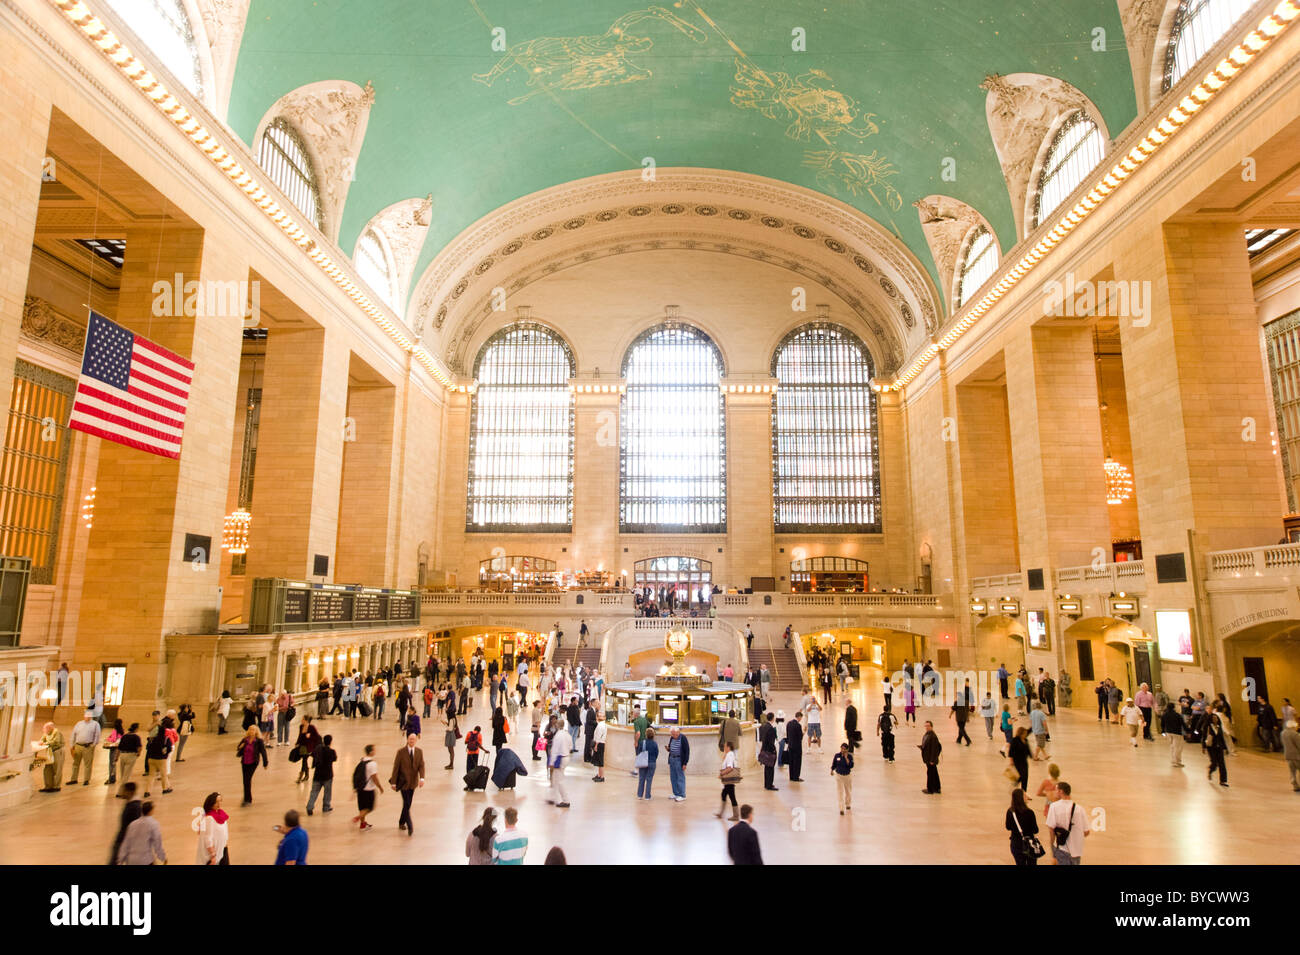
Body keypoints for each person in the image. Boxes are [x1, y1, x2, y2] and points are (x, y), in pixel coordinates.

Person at [1044, 781, 1088, 865]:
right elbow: (1086, 832)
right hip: (1077, 851)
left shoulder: (1054, 807)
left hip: (1062, 848)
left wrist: (1053, 848)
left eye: (1056, 790)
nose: (1054, 792)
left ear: (1061, 791)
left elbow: (1051, 830)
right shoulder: (1080, 809)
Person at [391, 733, 425, 836]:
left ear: (416, 741)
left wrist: (422, 778)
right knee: (406, 803)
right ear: (407, 740)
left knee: (408, 803)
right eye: (410, 739)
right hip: (403, 783)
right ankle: (410, 825)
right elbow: (396, 767)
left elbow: (421, 766)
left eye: (413, 739)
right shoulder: (401, 752)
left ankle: (401, 821)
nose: (411, 741)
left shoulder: (419, 751)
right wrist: (393, 782)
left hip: (413, 782)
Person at [116, 801, 165, 865]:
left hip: (131, 860)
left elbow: (126, 843)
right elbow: (157, 843)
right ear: (151, 811)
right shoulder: (153, 824)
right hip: (145, 860)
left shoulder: (132, 824)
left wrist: (120, 860)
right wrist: (162, 857)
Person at [1006, 788, 1040, 866]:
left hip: (1016, 844)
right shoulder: (1030, 812)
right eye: (1025, 795)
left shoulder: (1010, 811)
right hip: (1029, 844)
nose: (1027, 796)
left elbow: (1008, 827)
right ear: (1020, 798)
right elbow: (1035, 830)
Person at [352, 744, 382, 831]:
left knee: (362, 807)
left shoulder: (362, 761)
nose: (375, 751)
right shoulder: (373, 764)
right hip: (369, 789)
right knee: (370, 807)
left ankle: (362, 824)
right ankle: (358, 817)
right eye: (374, 750)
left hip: (360, 788)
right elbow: (374, 777)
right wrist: (380, 787)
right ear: (371, 752)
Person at [236, 726, 268, 805]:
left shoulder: (259, 741)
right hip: (244, 762)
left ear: (256, 731)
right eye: (250, 729)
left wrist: (265, 763)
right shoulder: (245, 739)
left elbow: (263, 752)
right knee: (245, 781)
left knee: (247, 779)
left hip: (253, 763)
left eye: (253, 730)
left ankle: (247, 800)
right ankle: (246, 798)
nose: (251, 731)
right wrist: (240, 747)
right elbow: (238, 748)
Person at [306, 733, 336, 815]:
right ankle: (326, 807)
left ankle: (309, 807)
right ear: (330, 742)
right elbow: (334, 759)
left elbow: (311, 754)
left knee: (314, 792)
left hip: (317, 775)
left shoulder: (318, 750)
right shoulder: (331, 752)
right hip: (328, 775)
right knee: (327, 792)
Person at [67, 710, 100, 786]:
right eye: (85, 715)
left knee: (87, 764)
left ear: (91, 716)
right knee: (75, 763)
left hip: (88, 747)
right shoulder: (79, 723)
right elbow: (73, 734)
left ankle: (86, 780)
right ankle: (73, 779)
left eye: (88, 715)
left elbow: (97, 735)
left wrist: (93, 745)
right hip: (78, 746)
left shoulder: (95, 724)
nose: (87, 717)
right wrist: (72, 745)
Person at [197, 792, 230, 865]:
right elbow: (208, 838)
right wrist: (213, 855)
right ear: (211, 803)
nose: (219, 804)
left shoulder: (222, 814)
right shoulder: (209, 818)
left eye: (220, 801)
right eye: (216, 802)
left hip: (223, 849)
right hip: (215, 853)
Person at [547, 715, 571, 809]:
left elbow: (555, 750)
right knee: (555, 778)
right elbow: (570, 746)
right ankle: (553, 797)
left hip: (560, 759)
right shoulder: (567, 734)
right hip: (566, 757)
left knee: (559, 780)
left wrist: (551, 762)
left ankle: (566, 800)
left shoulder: (558, 735)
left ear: (557, 725)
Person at [665, 726, 691, 801]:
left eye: (674, 734)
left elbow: (687, 751)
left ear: (678, 732)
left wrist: (685, 763)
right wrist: (668, 749)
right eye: (672, 734)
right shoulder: (672, 738)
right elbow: (670, 747)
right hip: (672, 759)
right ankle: (676, 793)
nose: (673, 736)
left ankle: (682, 795)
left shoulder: (683, 738)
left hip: (679, 760)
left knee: (680, 777)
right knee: (673, 777)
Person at [716, 740, 741, 820]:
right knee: (724, 794)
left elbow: (730, 768)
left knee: (732, 797)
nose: (724, 748)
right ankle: (721, 813)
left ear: (728, 747)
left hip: (729, 780)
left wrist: (722, 774)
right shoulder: (729, 754)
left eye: (725, 746)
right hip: (728, 781)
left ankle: (736, 815)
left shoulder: (730, 755)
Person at [1204, 708, 1229, 787]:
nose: (1215, 719)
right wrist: (1203, 747)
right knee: (1214, 763)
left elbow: (1222, 738)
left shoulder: (1219, 727)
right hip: (1211, 747)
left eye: (1216, 718)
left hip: (1219, 747)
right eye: (1214, 718)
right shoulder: (1208, 727)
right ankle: (1210, 770)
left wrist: (1225, 748)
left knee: (1222, 764)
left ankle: (1223, 781)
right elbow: (1204, 736)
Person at [293, 717, 322, 783]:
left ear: (306, 721)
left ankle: (300, 776)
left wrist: (310, 736)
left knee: (304, 760)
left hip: (309, 747)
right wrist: (297, 743)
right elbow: (299, 736)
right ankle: (306, 775)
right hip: (302, 746)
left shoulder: (312, 727)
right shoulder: (301, 726)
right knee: (304, 760)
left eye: (303, 719)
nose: (301, 720)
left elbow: (317, 736)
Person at [636, 727, 660, 799]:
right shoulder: (655, 744)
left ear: (646, 734)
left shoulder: (642, 742)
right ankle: (647, 796)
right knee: (649, 779)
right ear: (653, 735)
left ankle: (640, 795)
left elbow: (638, 752)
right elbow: (656, 753)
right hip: (652, 762)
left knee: (641, 779)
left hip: (643, 762)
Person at [919, 720, 942, 795]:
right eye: (926, 726)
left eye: (928, 726)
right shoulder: (927, 734)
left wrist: (932, 760)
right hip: (928, 757)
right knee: (934, 772)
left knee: (930, 773)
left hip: (930, 759)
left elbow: (934, 749)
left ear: (931, 726)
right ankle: (937, 788)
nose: (927, 727)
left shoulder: (933, 736)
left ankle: (930, 789)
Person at [830, 742, 853, 815]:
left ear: (847, 750)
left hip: (847, 776)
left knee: (848, 791)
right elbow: (834, 764)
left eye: (844, 749)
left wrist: (846, 758)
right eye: (842, 748)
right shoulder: (837, 755)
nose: (843, 750)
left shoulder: (850, 756)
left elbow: (851, 766)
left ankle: (848, 804)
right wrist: (832, 770)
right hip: (839, 776)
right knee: (840, 792)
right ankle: (841, 808)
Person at [758, 713, 779, 790]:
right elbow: (771, 742)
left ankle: (766, 784)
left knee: (766, 768)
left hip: (764, 749)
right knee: (770, 768)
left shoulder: (763, 726)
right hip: (769, 751)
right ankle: (769, 785)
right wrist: (773, 750)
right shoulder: (771, 728)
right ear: (773, 718)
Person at [1007, 726, 1031, 793]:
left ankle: (1024, 792)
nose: (1026, 735)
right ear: (1020, 733)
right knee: (1020, 776)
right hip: (1017, 761)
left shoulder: (1025, 740)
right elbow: (1011, 751)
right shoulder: (1015, 740)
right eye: (1024, 733)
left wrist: (1032, 756)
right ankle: (1014, 785)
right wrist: (1011, 761)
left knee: (1025, 777)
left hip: (1024, 761)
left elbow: (1028, 749)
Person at [785, 711, 804, 782]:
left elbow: (787, 735)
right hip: (797, 747)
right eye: (801, 718)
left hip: (790, 745)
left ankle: (791, 776)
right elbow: (800, 737)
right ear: (799, 717)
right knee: (797, 762)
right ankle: (796, 777)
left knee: (791, 761)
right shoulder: (798, 725)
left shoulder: (789, 724)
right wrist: (803, 733)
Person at [1282, 720, 1300, 792]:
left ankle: (1295, 785)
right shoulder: (1295, 734)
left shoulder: (1283, 733)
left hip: (1288, 755)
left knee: (1292, 771)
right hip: (1296, 756)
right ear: (1293, 726)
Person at [591, 711, 608, 782]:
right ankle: (599, 775)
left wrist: (596, 745)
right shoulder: (603, 724)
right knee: (599, 761)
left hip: (599, 744)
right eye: (599, 715)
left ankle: (602, 776)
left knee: (600, 761)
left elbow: (598, 736)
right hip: (600, 743)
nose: (600, 717)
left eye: (602, 716)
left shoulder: (600, 725)